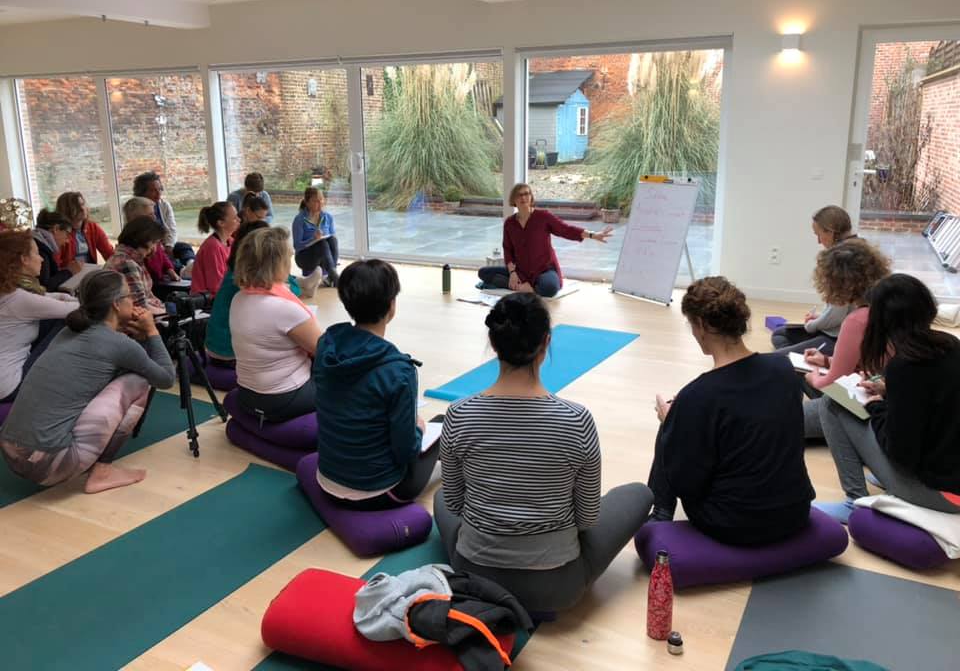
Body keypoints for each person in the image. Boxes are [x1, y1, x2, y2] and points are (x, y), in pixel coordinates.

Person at [435, 293, 652, 613]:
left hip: (475, 578)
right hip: (555, 588)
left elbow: (454, 503)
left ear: (493, 344)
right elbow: (587, 517)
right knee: (639, 494)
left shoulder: (458, 414)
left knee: (440, 497)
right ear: (546, 343)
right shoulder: (576, 420)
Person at [648, 277, 814, 546]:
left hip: (734, 523)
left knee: (670, 421)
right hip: (794, 511)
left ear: (700, 325)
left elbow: (686, 483)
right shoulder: (784, 370)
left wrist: (673, 424)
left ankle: (660, 514)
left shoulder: (698, 394)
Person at [0, 270, 175, 493]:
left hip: (11, 451)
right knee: (138, 382)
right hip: (48, 465)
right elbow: (167, 378)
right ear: (116, 304)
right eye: (129, 296)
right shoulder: (118, 344)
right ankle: (102, 472)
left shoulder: (67, 331)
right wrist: (152, 331)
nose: (134, 301)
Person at [814, 274, 960, 523]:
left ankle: (854, 500)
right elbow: (935, 404)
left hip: (941, 494)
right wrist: (890, 392)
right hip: (950, 476)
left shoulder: (905, 366)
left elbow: (901, 452)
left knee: (831, 403)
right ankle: (883, 481)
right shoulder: (951, 345)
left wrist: (877, 407)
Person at [311, 259, 437, 509]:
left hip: (327, 478)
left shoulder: (327, 344)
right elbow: (405, 451)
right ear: (392, 306)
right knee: (444, 426)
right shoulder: (398, 370)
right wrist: (419, 429)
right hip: (379, 489)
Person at [799, 239, 891, 437]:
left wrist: (813, 377)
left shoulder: (857, 320)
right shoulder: (891, 305)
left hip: (872, 403)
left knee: (784, 420)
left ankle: (843, 430)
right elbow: (874, 363)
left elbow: (832, 381)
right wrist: (826, 360)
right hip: (882, 389)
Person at [230, 227, 323, 422]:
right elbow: (325, 351)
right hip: (283, 398)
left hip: (247, 394)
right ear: (277, 263)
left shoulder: (238, 298)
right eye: (288, 257)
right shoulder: (284, 309)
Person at [477, 184, 612, 298]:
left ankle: (528, 289)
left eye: (526, 194)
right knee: (483, 272)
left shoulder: (543, 217)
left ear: (531, 197)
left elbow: (566, 229)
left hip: (544, 270)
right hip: (520, 271)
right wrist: (512, 273)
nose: (524, 197)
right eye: (519, 195)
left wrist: (593, 235)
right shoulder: (509, 223)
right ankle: (520, 286)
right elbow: (508, 249)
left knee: (550, 288)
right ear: (514, 199)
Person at [204, 221, 302, 368]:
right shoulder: (246, 283)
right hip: (228, 354)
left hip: (219, 348)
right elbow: (293, 292)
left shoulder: (237, 273)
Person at [0, 230, 79, 402]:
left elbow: (48, 297)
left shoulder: (8, 291)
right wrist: (77, 300)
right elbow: (74, 309)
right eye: (36, 253)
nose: (42, 258)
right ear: (24, 259)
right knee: (66, 321)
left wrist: (67, 298)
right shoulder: (19, 298)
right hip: (11, 387)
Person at [772, 206, 859, 355]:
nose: (819, 241)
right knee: (779, 334)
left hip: (841, 339)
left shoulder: (841, 260)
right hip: (845, 331)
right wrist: (821, 317)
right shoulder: (860, 249)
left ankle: (811, 360)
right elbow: (842, 310)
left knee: (777, 358)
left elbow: (837, 316)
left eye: (819, 235)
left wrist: (812, 326)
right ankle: (805, 359)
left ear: (830, 232)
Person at [132, 171, 195, 269]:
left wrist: (169, 246)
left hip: (166, 245)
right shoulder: (136, 209)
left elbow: (172, 228)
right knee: (164, 261)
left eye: (160, 189)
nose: (158, 194)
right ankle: (182, 271)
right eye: (153, 191)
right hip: (150, 249)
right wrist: (159, 249)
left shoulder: (164, 205)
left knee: (184, 247)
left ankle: (192, 265)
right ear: (142, 193)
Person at [103, 217, 167, 314]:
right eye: (155, 242)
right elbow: (140, 306)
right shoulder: (127, 263)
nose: (157, 247)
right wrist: (168, 312)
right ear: (145, 240)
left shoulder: (125, 258)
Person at [123, 197, 179, 285]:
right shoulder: (137, 243)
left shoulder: (151, 235)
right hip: (154, 283)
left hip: (162, 277)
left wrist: (170, 270)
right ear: (135, 219)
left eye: (154, 214)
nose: (154, 218)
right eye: (150, 215)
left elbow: (162, 255)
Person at [292, 187, 338, 292]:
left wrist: (324, 237)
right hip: (305, 258)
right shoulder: (299, 219)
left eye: (321, 199)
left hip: (323, 257)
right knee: (322, 243)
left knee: (333, 240)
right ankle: (335, 277)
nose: (320, 202)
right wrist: (312, 239)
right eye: (316, 200)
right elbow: (297, 246)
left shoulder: (328, 217)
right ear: (307, 203)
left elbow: (332, 237)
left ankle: (331, 275)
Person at [190, 202, 240, 297]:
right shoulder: (212, 247)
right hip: (208, 300)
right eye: (234, 218)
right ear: (221, 223)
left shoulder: (231, 241)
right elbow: (215, 285)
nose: (239, 220)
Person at [55, 191, 114, 266]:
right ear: (66, 210)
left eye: (82, 204)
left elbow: (109, 254)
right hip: (69, 275)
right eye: (76, 206)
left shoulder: (93, 228)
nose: (82, 208)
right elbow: (55, 265)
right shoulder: (60, 233)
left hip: (90, 273)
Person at [34, 210, 82, 292]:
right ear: (56, 229)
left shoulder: (38, 242)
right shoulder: (40, 249)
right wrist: (69, 271)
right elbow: (44, 288)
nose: (67, 241)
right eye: (67, 234)